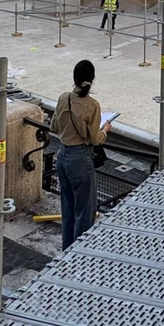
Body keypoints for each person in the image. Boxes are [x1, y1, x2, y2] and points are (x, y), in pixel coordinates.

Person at [51, 59, 111, 249]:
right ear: (92, 80)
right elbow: (95, 138)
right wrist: (105, 130)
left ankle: (66, 251)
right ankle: (79, 254)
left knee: (67, 209)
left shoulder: (63, 98)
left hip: (62, 155)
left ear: (74, 78)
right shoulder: (92, 105)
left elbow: (53, 126)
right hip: (80, 158)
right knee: (85, 211)